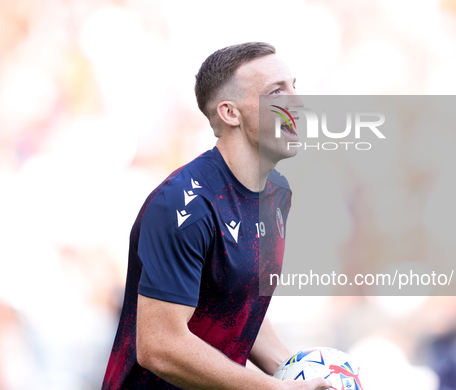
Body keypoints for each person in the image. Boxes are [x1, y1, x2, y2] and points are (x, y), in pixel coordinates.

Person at [102, 42, 331, 390]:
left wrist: (305, 372)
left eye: (294, 87)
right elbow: (160, 347)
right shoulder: (183, 204)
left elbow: (236, 305)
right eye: (276, 92)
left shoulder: (277, 195)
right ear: (230, 113)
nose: (297, 104)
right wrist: (275, 389)